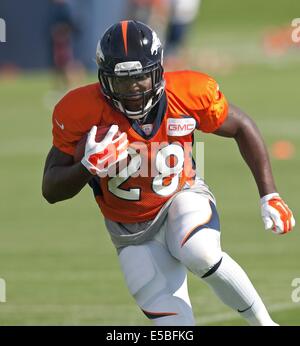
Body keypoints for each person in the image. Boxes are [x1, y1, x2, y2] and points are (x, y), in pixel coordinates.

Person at [42, 20, 295, 326]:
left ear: (158, 71)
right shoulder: (80, 110)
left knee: (198, 251)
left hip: (181, 198)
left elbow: (241, 126)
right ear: (104, 79)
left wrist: (269, 194)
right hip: (130, 232)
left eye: (141, 79)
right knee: (175, 328)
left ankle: (265, 324)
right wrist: (87, 167)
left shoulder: (189, 92)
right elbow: (51, 190)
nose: (133, 90)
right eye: (122, 82)